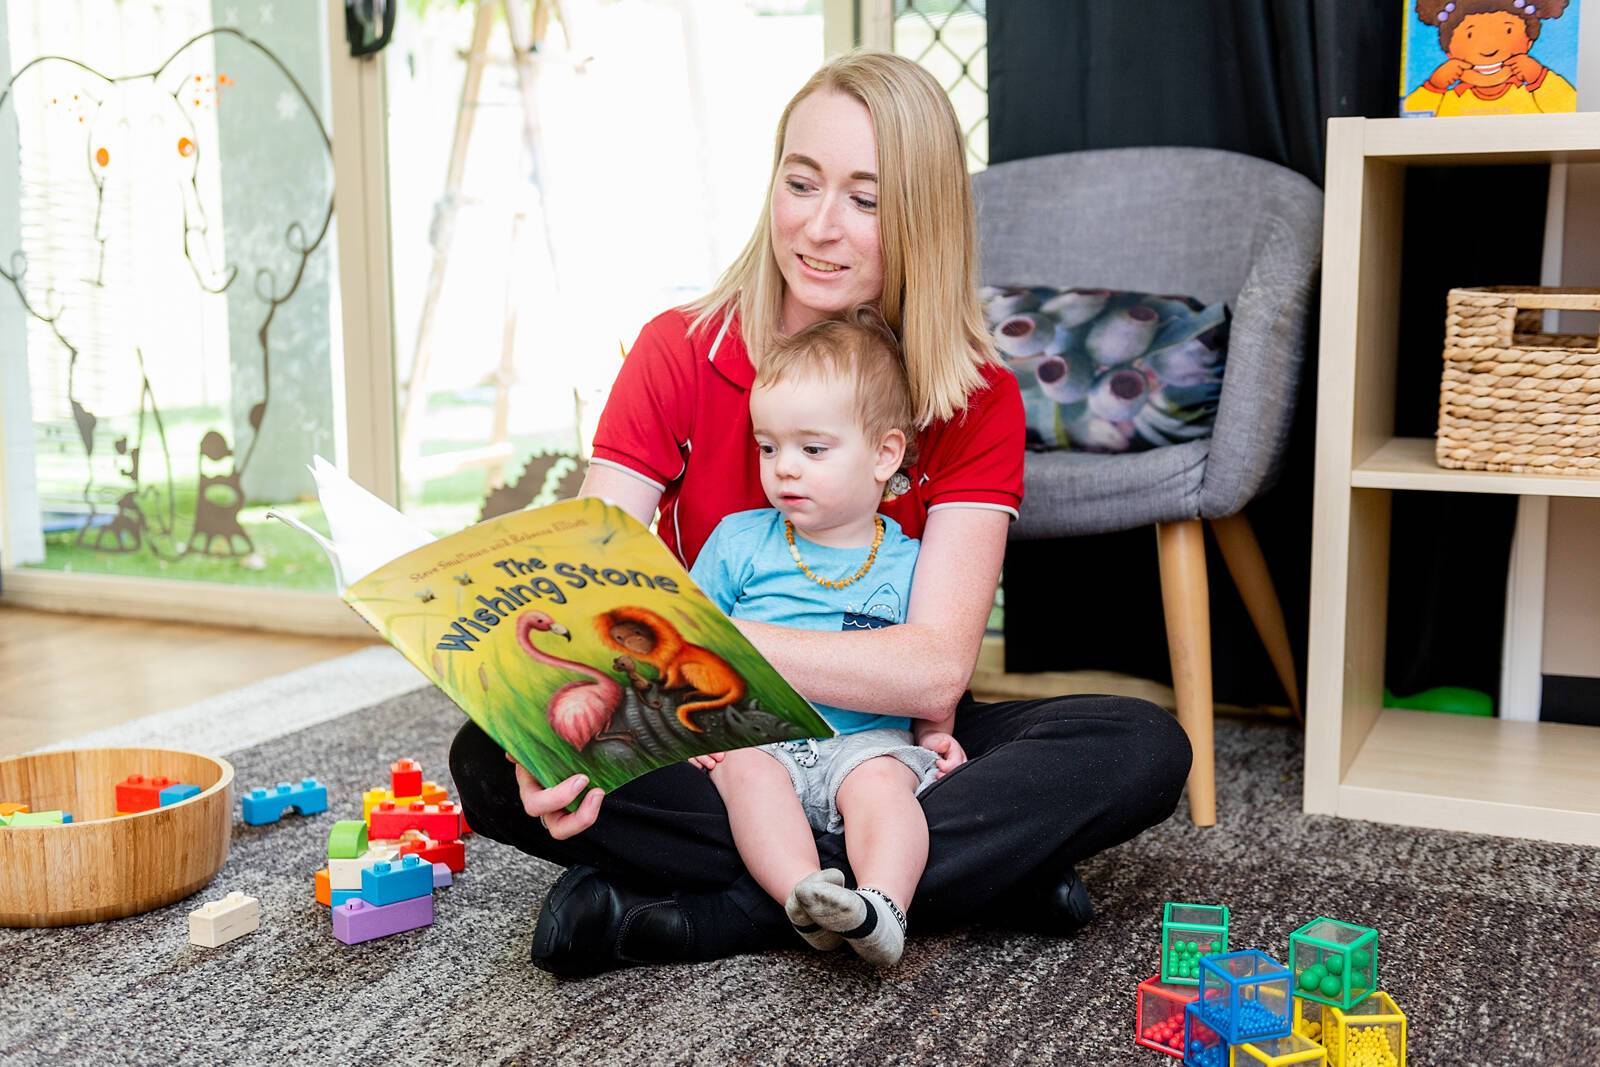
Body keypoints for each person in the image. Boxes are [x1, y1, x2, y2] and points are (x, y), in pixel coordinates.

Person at [448, 49, 1192, 978]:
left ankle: (727, 908)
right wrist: (547, 724)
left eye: (866, 201)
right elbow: (586, 598)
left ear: (920, 220)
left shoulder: (976, 397)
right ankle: (955, 879)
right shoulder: (678, 351)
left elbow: (930, 671)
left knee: (1139, 745)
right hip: (723, 743)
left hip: (881, 739)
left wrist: (709, 636)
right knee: (490, 755)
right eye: (800, 184)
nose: (819, 227)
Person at [688, 309, 952, 968]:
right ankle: (803, 896)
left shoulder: (911, 559)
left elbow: (929, 658)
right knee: (744, 775)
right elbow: (686, 643)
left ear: (884, 454)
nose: (784, 470)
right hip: (760, 734)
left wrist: (936, 729)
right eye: (769, 446)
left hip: (864, 741)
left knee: (884, 792)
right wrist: (696, 727)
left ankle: (882, 905)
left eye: (812, 449)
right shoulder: (739, 541)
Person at [1403, 0, 1576, 116]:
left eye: (1507, 31)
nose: (1488, 49)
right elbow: (1410, 116)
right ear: (1449, 52)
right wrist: (1433, 87)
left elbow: (1566, 111)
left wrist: (1540, 77)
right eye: (1470, 35)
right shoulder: (1448, 98)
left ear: (1529, 42)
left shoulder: (1531, 93)